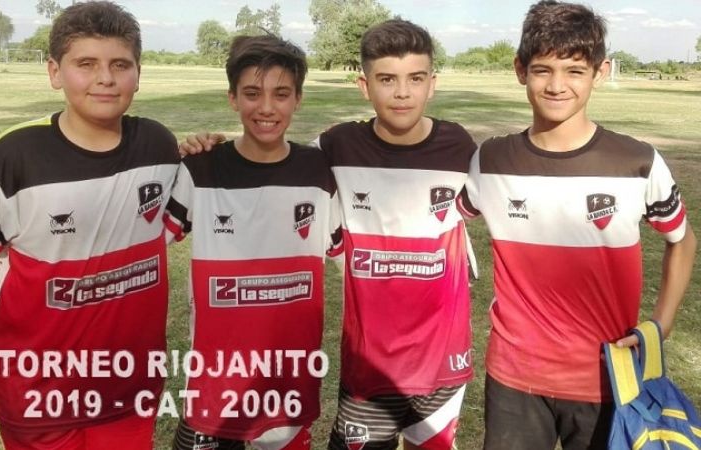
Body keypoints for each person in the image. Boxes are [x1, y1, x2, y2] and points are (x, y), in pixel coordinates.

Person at [182, 19, 476, 450]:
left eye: (415, 79)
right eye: (387, 79)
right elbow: (276, 162)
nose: (401, 92)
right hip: (366, 367)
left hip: (441, 362)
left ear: (432, 84)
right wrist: (202, 148)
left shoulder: (461, 147)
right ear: (364, 85)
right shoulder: (334, 149)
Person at [0, 2, 181, 449]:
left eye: (120, 64)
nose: (105, 78)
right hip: (37, 397)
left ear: (139, 73)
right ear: (54, 71)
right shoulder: (12, 160)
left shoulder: (158, 145)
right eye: (86, 64)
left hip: (127, 389)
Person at [456, 2, 698, 449]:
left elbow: (681, 241)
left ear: (600, 73)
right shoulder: (490, 160)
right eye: (542, 70)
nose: (556, 85)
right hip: (515, 377)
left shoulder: (637, 161)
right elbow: (443, 219)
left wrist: (662, 324)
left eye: (574, 71)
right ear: (519, 70)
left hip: (607, 379)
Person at [164, 34, 343, 450]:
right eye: (251, 94)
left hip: (289, 379)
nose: (266, 108)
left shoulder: (318, 171)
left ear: (298, 99)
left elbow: (346, 259)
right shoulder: (200, 168)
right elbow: (144, 241)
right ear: (232, 98)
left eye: (281, 94)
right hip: (213, 387)